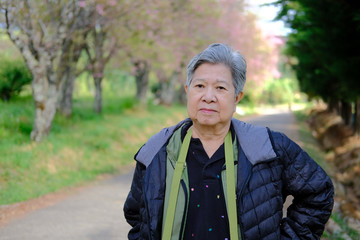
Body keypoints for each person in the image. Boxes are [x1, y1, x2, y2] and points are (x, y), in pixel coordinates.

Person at [123, 43, 334, 240]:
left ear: (237, 97)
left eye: (221, 88)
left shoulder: (268, 148)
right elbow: (137, 215)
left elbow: (318, 192)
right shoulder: (156, 151)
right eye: (199, 86)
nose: (208, 97)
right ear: (188, 92)